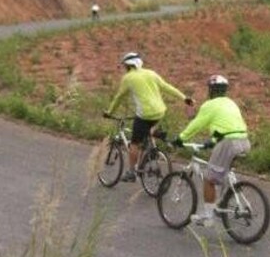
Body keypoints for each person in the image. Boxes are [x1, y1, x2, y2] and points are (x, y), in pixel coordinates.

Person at [173, 75, 250, 226]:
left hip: (228, 143)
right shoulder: (231, 103)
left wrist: (180, 138)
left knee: (209, 179)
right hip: (244, 141)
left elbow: (196, 124)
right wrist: (212, 141)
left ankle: (208, 217)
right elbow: (226, 126)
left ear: (211, 90)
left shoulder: (210, 105)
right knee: (223, 172)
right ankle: (222, 203)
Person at [103, 52, 193, 182]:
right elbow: (167, 87)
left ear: (128, 66)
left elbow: (119, 98)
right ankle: (153, 145)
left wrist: (109, 112)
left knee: (134, 143)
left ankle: (131, 172)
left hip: (145, 114)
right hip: (160, 112)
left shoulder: (128, 78)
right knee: (148, 129)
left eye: (125, 66)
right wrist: (184, 98)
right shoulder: (151, 73)